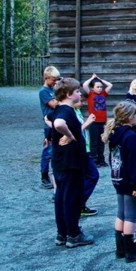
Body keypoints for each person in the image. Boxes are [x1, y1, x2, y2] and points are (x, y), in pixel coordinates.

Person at [49, 78, 94, 249]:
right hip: (70, 163)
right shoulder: (66, 111)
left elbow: (49, 120)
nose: (79, 94)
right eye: (76, 92)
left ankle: (63, 233)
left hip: (61, 162)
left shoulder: (59, 109)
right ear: (68, 94)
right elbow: (58, 123)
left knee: (61, 197)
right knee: (71, 199)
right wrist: (70, 135)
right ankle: (73, 235)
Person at [103, 102, 136, 262]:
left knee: (121, 213)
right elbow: (135, 164)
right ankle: (131, 252)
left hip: (118, 178)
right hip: (130, 182)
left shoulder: (115, 134)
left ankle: (120, 250)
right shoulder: (131, 137)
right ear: (129, 118)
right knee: (130, 216)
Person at [72, 96, 99, 217]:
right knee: (93, 175)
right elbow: (74, 131)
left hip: (84, 148)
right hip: (78, 151)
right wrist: (87, 122)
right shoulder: (69, 113)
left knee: (88, 176)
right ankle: (77, 204)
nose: (82, 103)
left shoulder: (77, 112)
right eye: (79, 101)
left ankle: (79, 204)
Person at [82, 73, 113, 167]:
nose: (100, 88)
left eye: (101, 87)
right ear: (92, 88)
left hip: (102, 122)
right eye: (97, 86)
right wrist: (92, 78)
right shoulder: (90, 94)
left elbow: (110, 85)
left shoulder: (104, 94)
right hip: (93, 122)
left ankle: (101, 160)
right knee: (94, 141)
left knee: (102, 141)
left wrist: (100, 79)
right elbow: (84, 85)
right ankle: (94, 160)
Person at [38, 66, 60, 189]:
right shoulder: (44, 91)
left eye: (57, 79)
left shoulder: (53, 89)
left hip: (56, 122)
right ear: (46, 78)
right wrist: (62, 93)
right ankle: (44, 176)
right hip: (48, 125)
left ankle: (55, 176)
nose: (55, 82)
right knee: (48, 151)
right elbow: (54, 104)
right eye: (53, 79)